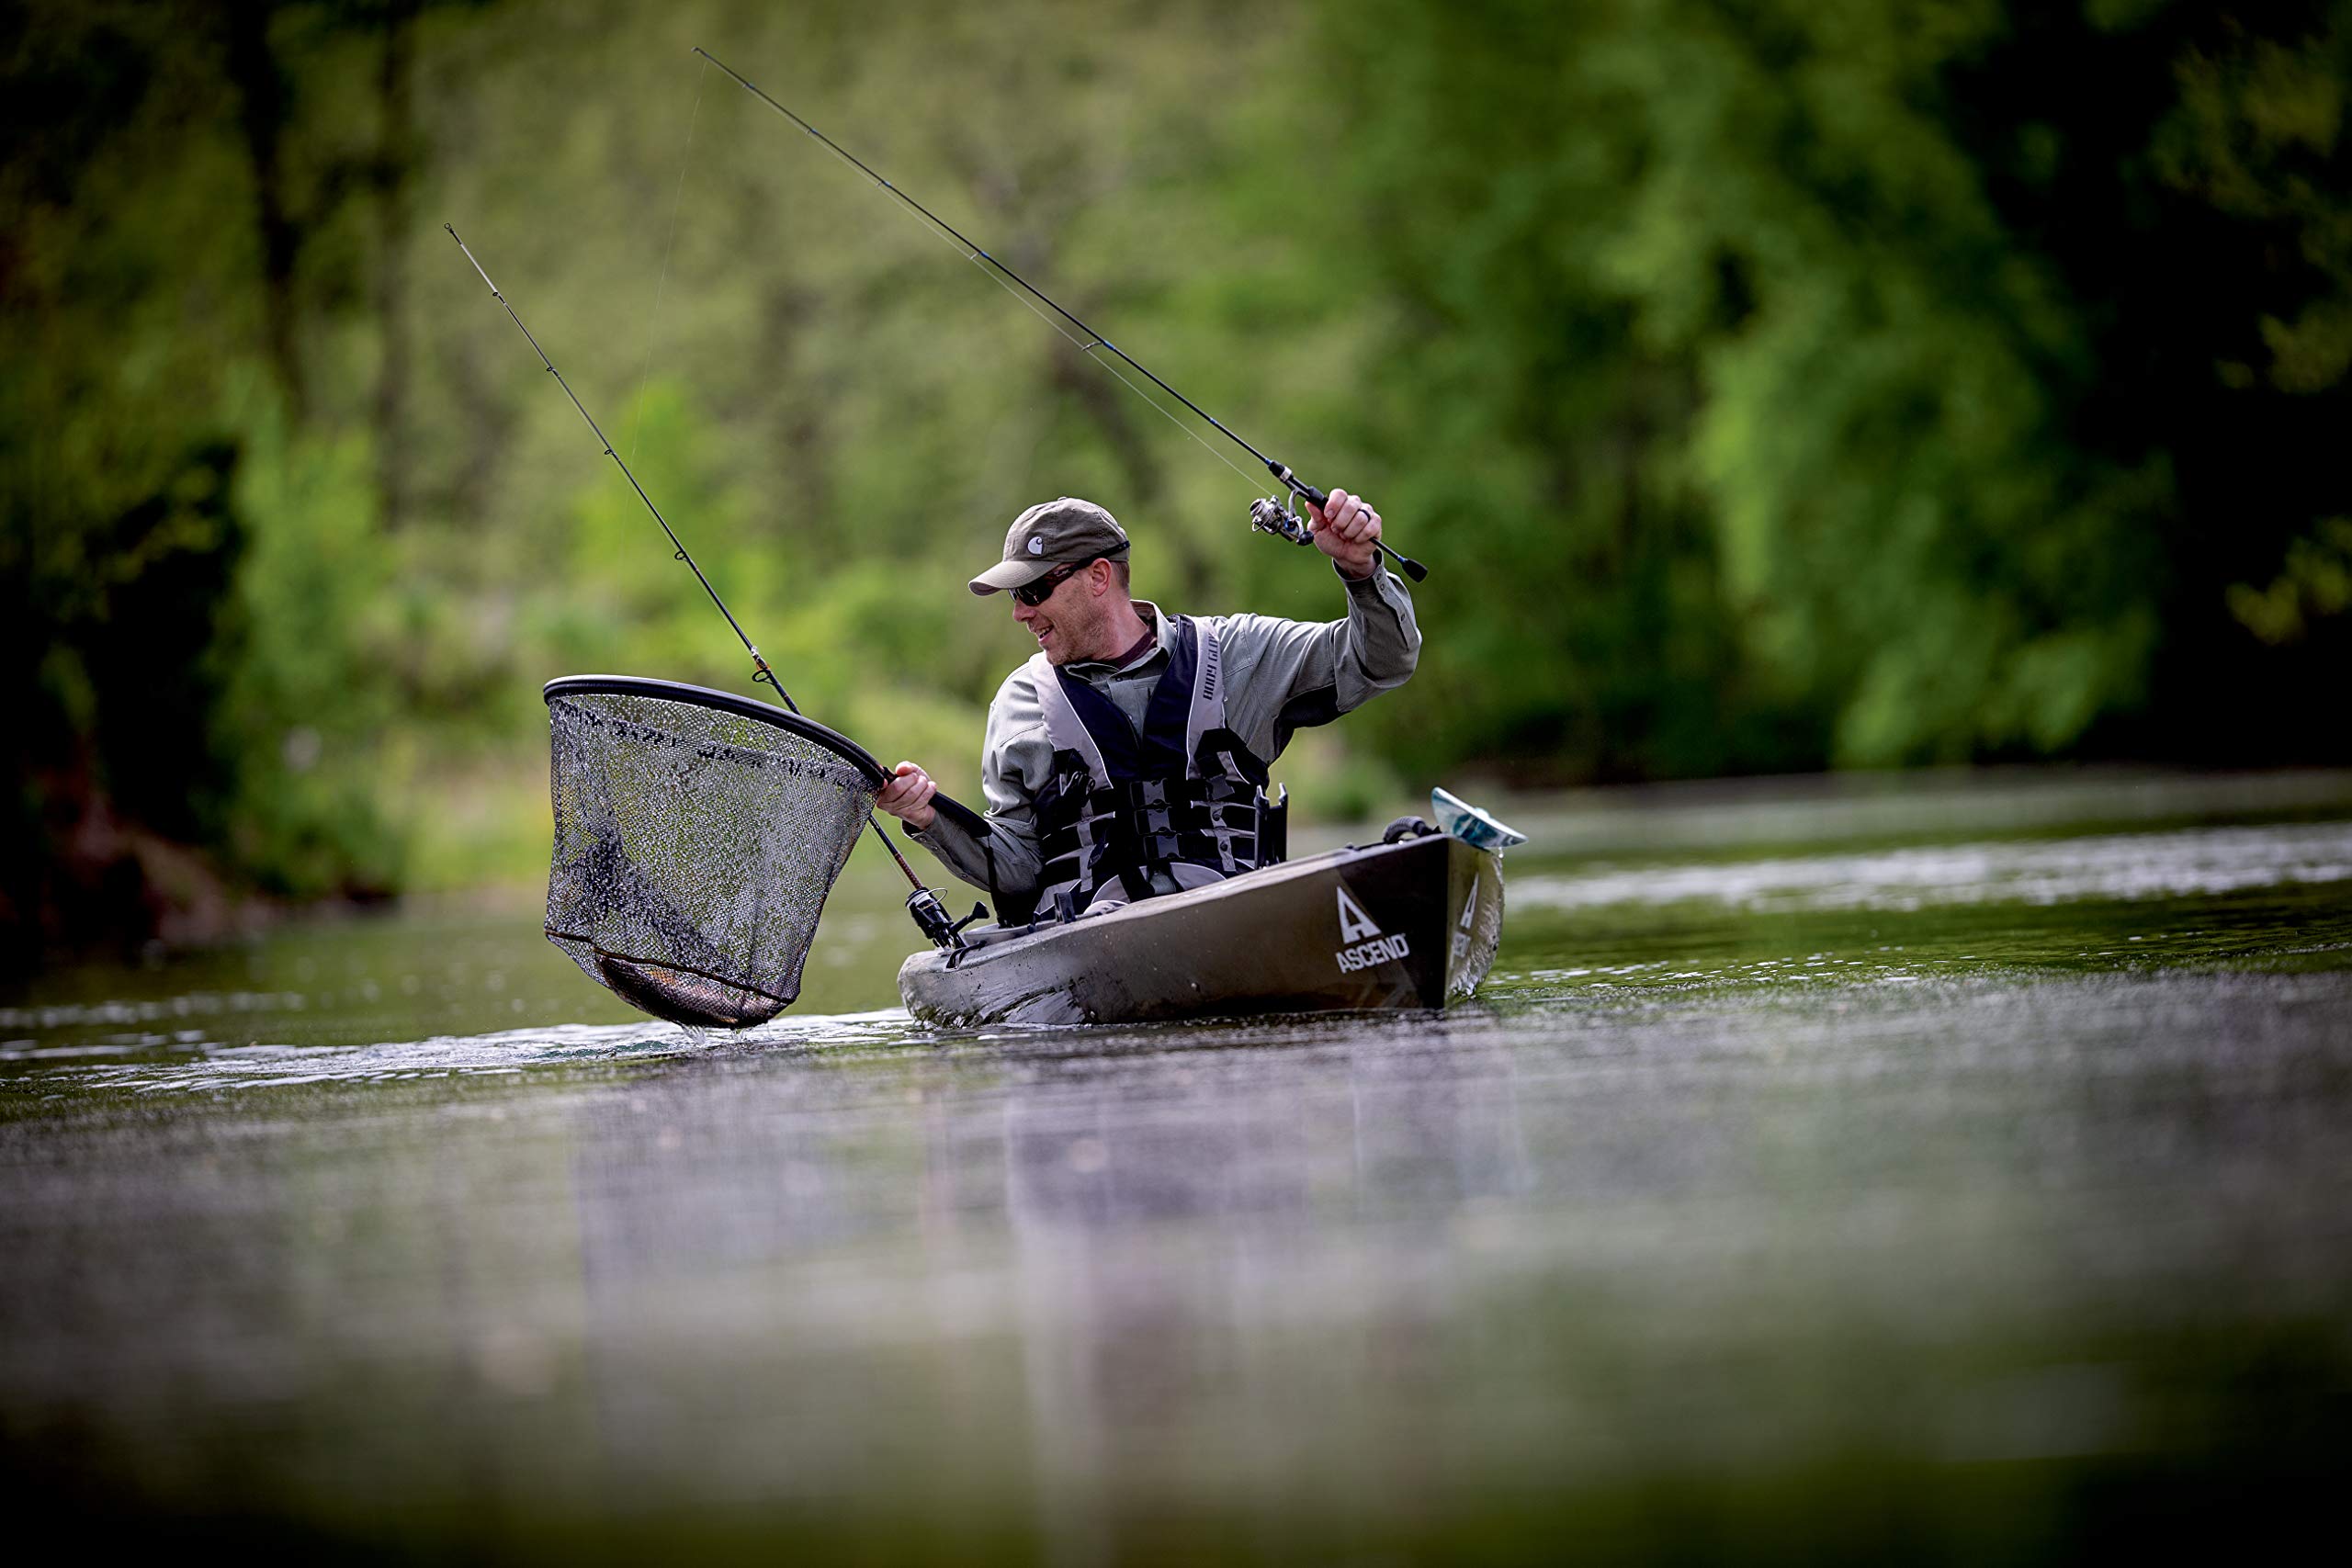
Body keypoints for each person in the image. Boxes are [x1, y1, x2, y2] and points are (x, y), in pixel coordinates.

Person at [875, 489, 1419, 921]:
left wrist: (1361, 572)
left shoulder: (1242, 654)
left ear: (1098, 577)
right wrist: (928, 817)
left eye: (1032, 592)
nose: (1019, 613)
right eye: (1015, 597)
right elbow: (1019, 869)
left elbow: (1383, 662)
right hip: (1092, 940)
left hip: (1241, 920)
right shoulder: (1017, 704)